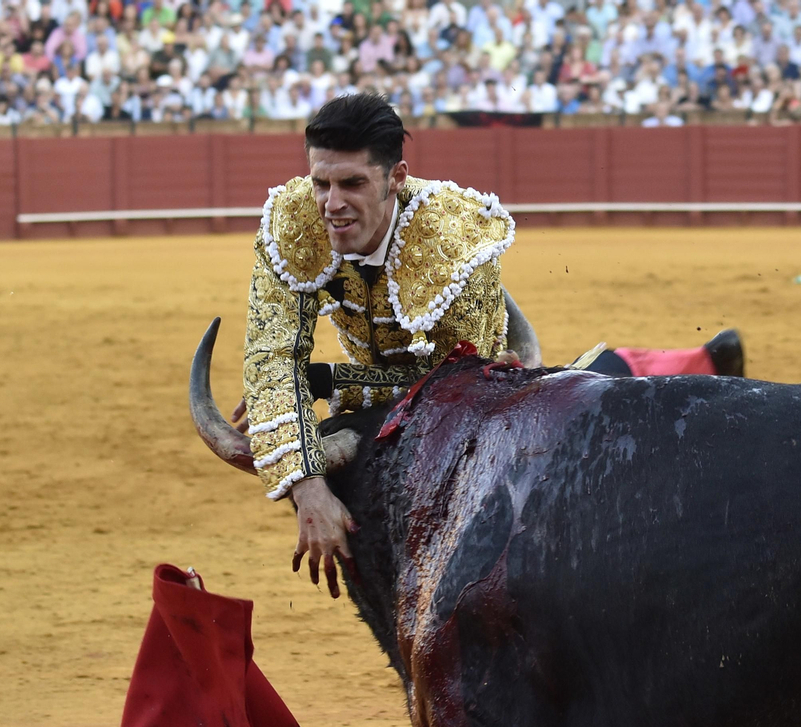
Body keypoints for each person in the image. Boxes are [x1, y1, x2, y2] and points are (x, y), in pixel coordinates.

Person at [237, 93, 742, 596]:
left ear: (396, 178)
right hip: (399, 379)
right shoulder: (293, 220)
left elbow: (448, 395)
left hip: (480, 384)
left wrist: (330, 382)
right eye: (320, 182)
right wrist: (307, 487)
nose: (331, 203)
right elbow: (270, 361)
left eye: (352, 183)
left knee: (568, 414)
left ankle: (699, 361)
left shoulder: (452, 240)